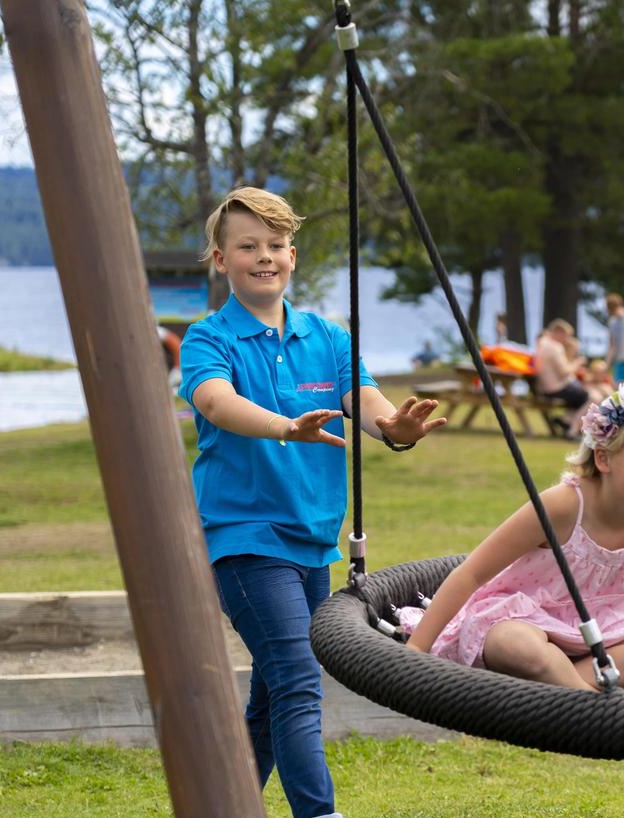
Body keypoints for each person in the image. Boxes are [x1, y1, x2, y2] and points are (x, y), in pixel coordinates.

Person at [178, 187, 448, 818]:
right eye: (248, 246)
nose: (263, 257)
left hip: (312, 543)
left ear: (293, 257)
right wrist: (283, 426)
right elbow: (215, 401)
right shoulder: (207, 338)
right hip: (244, 540)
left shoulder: (327, 337)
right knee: (298, 681)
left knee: (273, 698)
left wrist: (395, 433)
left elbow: (370, 402)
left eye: (274, 246)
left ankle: (222, 805)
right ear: (221, 259)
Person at [399, 379, 624, 691]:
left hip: (608, 627)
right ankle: (596, 704)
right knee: (515, 643)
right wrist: (417, 649)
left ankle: (571, 690)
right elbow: (473, 572)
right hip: (531, 620)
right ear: (604, 459)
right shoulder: (563, 506)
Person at [534, 319, 590, 439]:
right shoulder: (555, 347)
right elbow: (564, 372)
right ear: (559, 332)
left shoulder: (543, 343)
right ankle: (571, 430)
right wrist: (577, 363)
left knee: (580, 397)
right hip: (555, 389)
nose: (567, 340)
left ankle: (565, 420)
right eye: (567, 336)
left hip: (543, 388)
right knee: (588, 397)